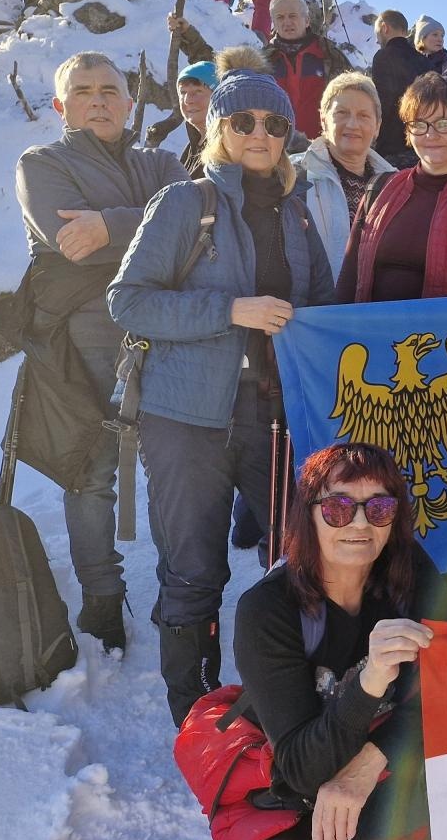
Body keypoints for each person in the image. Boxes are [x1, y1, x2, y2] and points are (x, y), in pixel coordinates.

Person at [108, 49, 335, 726]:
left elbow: (322, 308)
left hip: (274, 417)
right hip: (187, 418)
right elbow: (128, 301)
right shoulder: (186, 202)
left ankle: (284, 707)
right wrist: (230, 310)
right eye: (243, 121)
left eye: (274, 123)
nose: (260, 134)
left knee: (296, 562)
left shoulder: (297, 213)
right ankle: (197, 717)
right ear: (219, 130)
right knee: (193, 569)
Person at [195, 442, 440, 840]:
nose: (360, 524)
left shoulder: (410, 575)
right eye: (338, 507)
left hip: (383, 761)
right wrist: (370, 680)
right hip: (292, 789)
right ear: (307, 516)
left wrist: (365, 766)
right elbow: (301, 769)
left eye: (380, 507)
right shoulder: (268, 609)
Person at [14, 52, 187, 652]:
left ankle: (181, 596)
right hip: (79, 340)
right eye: (83, 91)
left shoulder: (161, 162)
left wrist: (109, 226)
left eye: (110, 90)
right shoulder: (41, 164)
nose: (98, 100)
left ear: (130, 102)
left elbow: (196, 225)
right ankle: (102, 600)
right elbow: (69, 242)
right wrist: (153, 227)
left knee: (171, 468)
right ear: (60, 106)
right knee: (90, 473)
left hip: (164, 331)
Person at [334, 74, 447, 621]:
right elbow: (348, 282)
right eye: (420, 124)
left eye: (444, 123)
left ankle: (440, 637)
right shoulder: (380, 192)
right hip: (381, 391)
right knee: (375, 518)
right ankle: (376, 646)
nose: (431, 135)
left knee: (444, 535)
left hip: (441, 398)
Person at [292, 72, 395, 278]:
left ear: (377, 126)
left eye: (363, 115)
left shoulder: (396, 185)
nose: (352, 124)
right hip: (317, 299)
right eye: (342, 113)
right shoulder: (293, 176)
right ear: (323, 120)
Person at [265, 0, 353, 141]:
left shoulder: (331, 57)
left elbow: (353, 101)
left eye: (292, 16)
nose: (287, 22)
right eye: (280, 17)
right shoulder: (262, 62)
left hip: (323, 148)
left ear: (307, 21)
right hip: (274, 147)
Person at [370, 10, 435, 169]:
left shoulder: (383, 57)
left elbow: (383, 100)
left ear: (385, 28)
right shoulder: (424, 61)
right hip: (420, 145)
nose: (377, 40)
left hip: (391, 147)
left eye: (377, 33)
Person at [165, 59, 218, 176]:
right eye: (183, 92)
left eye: (198, 91)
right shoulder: (193, 145)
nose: (188, 100)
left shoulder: (225, 148)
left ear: (218, 96)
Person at [412, 15, 447, 85]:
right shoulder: (411, 67)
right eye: (435, 35)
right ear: (422, 39)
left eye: (442, 36)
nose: (440, 39)